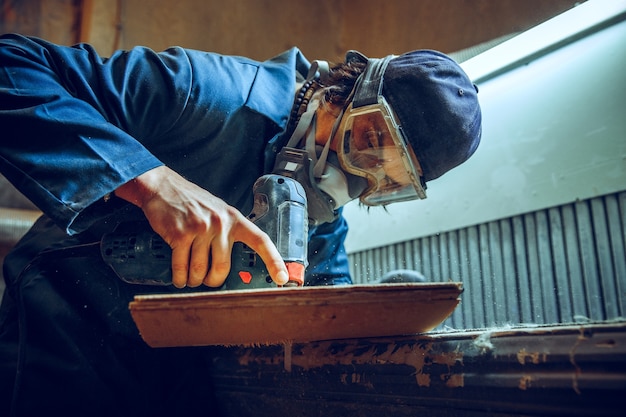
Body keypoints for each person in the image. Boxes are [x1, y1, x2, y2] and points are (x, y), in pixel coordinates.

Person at [0, 33, 481, 416]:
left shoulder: (322, 218)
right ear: (346, 89)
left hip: (182, 371)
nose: (357, 176)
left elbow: (322, 301)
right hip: (65, 332)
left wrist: (369, 325)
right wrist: (152, 183)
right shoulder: (206, 93)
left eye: (385, 179)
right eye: (369, 142)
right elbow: (11, 65)